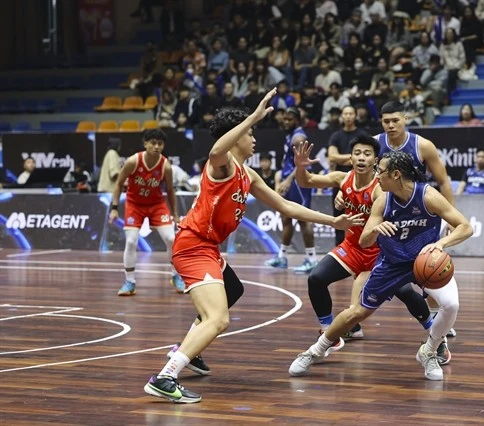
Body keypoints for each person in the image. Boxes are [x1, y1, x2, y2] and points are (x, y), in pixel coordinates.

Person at [144, 90, 365, 404]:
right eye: (249, 133)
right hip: (193, 246)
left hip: (207, 247)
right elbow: (217, 148)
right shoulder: (221, 164)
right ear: (236, 137)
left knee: (232, 289)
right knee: (218, 319)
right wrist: (253, 115)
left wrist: (334, 222)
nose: (254, 138)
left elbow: (287, 207)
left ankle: (189, 352)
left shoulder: (248, 175)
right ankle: (166, 377)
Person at [289, 151, 473, 380]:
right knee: (358, 312)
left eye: (380, 171)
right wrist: (375, 230)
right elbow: (364, 240)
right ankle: (315, 350)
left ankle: (429, 351)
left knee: (451, 304)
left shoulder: (427, 196)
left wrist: (440, 244)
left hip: (425, 261)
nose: (376, 176)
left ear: (396, 175)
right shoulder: (383, 201)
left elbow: (465, 227)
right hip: (392, 263)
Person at [372, 101, 458, 338]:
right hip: (390, 214)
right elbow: (363, 177)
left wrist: (450, 215)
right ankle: (357, 315)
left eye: (395, 120)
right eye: (386, 121)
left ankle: (437, 318)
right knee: (378, 264)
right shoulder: (375, 144)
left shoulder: (423, 146)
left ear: (406, 119)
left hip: (423, 214)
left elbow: (443, 182)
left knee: (429, 266)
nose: (390, 125)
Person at [108, 129, 185, 296]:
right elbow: (119, 184)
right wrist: (114, 209)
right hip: (135, 204)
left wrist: (176, 214)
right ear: (145, 144)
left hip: (157, 204)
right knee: (131, 242)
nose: (157, 147)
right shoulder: (133, 161)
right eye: (153, 143)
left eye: (160, 144)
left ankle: (176, 276)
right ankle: (130, 282)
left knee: (172, 238)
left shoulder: (165, 165)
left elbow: (170, 190)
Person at [264, 107, 318, 273]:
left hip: (298, 183)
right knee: (286, 218)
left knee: (303, 219)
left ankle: (312, 259)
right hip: (290, 181)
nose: (286, 122)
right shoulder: (290, 135)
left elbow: (303, 163)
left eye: (289, 119)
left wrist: (288, 180)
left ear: (297, 120)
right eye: (284, 119)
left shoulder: (299, 137)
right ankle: (282, 257)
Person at [327, 105, 369, 245]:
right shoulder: (336, 136)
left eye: (351, 113)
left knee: (362, 217)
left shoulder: (362, 135)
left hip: (359, 180)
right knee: (339, 216)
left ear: (355, 116)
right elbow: (332, 157)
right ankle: (339, 249)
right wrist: (353, 157)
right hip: (340, 181)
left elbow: (367, 156)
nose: (348, 116)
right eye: (345, 114)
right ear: (342, 117)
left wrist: (344, 158)